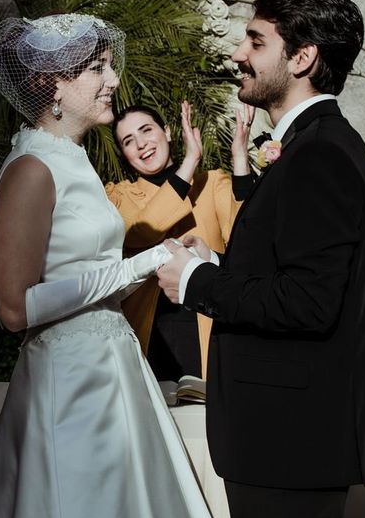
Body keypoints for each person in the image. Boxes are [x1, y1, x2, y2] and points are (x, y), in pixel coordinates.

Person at [0, 13, 227, 518]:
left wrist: (167, 256)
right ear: (54, 85)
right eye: (95, 69)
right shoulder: (32, 168)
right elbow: (13, 307)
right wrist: (141, 263)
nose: (113, 79)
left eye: (108, 64)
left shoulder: (74, 158)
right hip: (70, 387)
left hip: (111, 372)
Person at [157, 0, 365, 518]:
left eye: (256, 41)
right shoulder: (312, 149)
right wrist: (221, 266)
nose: (239, 54)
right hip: (287, 437)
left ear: (303, 57)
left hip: (288, 440)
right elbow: (292, 274)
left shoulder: (320, 156)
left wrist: (197, 285)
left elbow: (309, 304)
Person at [105, 100, 254, 382]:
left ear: (169, 132)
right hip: (150, 335)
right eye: (128, 141)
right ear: (124, 154)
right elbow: (143, 232)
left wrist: (239, 158)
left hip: (209, 328)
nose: (141, 144)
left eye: (146, 130)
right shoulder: (118, 196)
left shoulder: (212, 183)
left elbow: (245, 237)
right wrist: (189, 161)